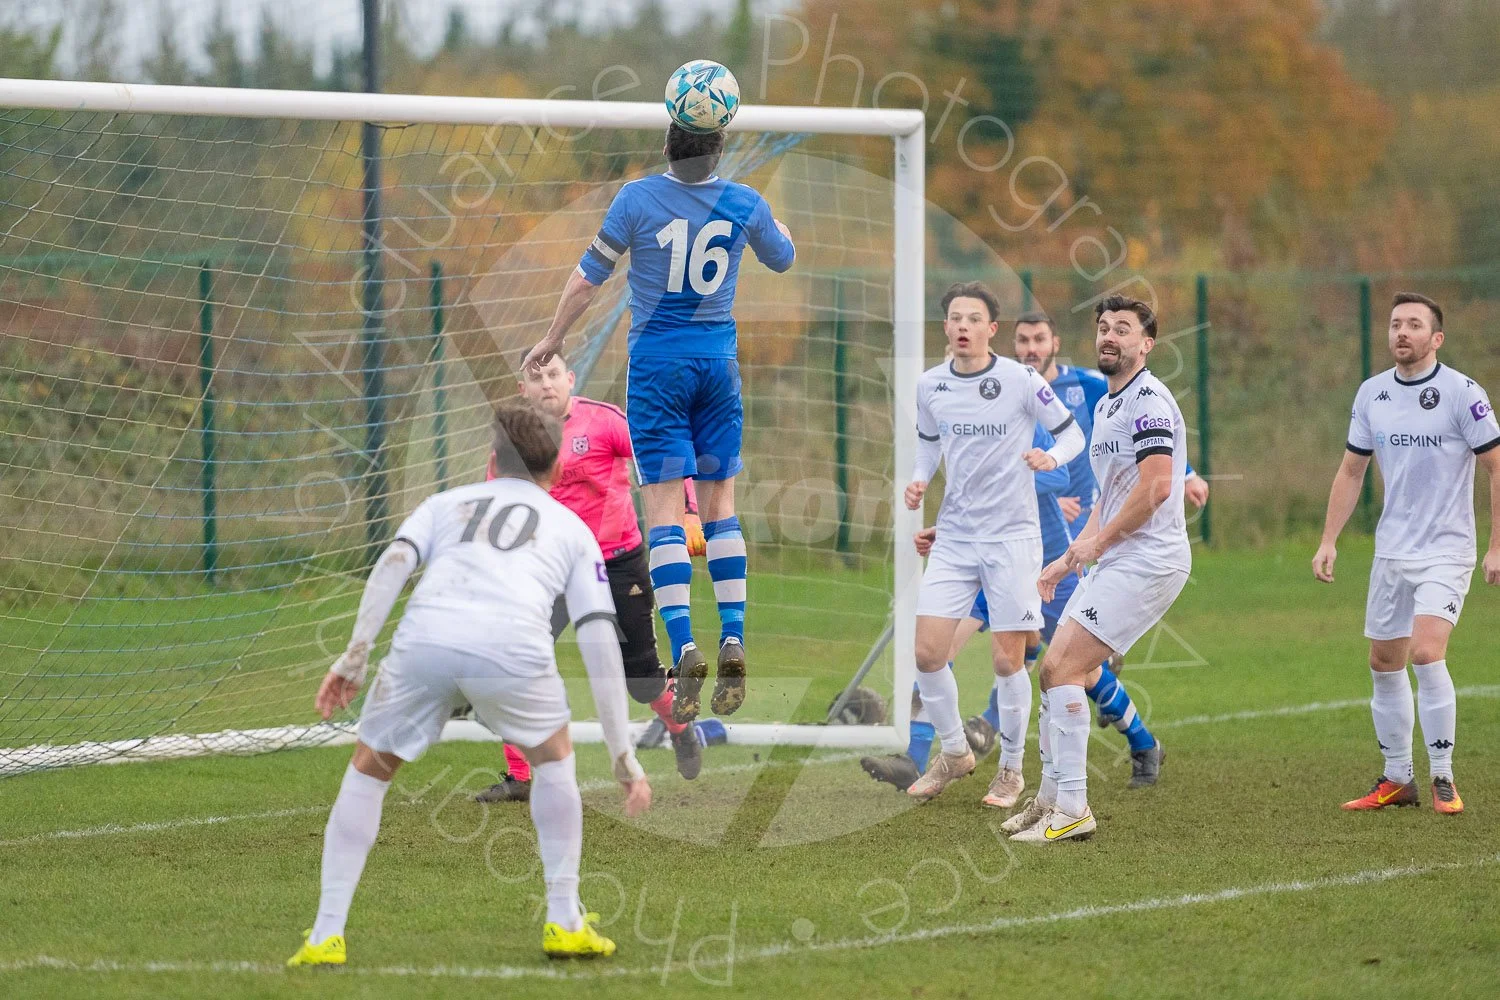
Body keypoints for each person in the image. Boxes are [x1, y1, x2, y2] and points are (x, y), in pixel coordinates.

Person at [286, 402, 651, 966]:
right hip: (512, 648)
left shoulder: (444, 504)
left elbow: (392, 564)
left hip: (425, 641)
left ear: (490, 459)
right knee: (554, 761)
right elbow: (599, 635)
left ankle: (325, 936)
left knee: (369, 771)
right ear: (557, 470)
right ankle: (563, 920)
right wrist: (622, 752)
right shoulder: (573, 530)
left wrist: (354, 658)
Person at [522, 123, 795, 724]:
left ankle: (685, 645)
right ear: (719, 148)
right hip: (717, 366)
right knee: (722, 504)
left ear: (667, 146)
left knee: (665, 513)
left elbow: (587, 279)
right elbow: (782, 256)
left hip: (657, 369)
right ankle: (733, 638)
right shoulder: (746, 203)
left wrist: (552, 337)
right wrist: (780, 232)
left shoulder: (637, 198)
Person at [474, 356, 704, 803]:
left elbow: (660, 458)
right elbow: (496, 499)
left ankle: (679, 727)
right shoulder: (516, 441)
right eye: (535, 377)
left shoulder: (604, 422)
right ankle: (520, 777)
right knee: (513, 660)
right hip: (548, 568)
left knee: (642, 681)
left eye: (553, 373)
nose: (546, 383)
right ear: (523, 388)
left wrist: (689, 511)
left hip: (617, 563)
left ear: (570, 379)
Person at [1008, 295, 1191, 844]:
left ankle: (1074, 809)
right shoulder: (1109, 406)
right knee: (1053, 669)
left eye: (1124, 329)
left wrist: (1098, 546)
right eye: (1104, 328)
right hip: (1118, 558)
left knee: (1063, 669)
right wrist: (1065, 561)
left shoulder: (1150, 402)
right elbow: (1107, 503)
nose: (1110, 336)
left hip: (1151, 560)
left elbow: (1157, 488)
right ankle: (1049, 802)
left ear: (1146, 343)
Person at [1313, 292, 1500, 815]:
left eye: (1414, 325)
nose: (1401, 332)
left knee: (1424, 652)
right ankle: (1398, 778)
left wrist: (1496, 546)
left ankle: (1442, 775)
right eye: (1396, 324)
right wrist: (1328, 539)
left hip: (1447, 549)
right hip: (1391, 551)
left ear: (1436, 338)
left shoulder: (1463, 393)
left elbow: (1496, 467)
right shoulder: (1372, 393)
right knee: (1384, 660)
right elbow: (1352, 470)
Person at [902, 281, 1084, 804]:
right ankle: (956, 752)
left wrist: (1053, 458)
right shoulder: (930, 386)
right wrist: (919, 479)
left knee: (1008, 662)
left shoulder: (1020, 380)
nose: (962, 326)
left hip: (1012, 540)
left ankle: (1010, 768)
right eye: (954, 318)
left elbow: (1073, 435)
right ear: (946, 328)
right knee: (927, 653)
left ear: (992, 329)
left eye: (972, 318)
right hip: (955, 537)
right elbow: (928, 447)